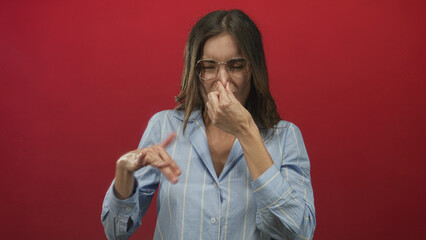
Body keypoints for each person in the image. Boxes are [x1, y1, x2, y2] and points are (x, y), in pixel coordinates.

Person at [101, 9, 316, 240]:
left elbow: (299, 233)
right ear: (196, 71)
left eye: (235, 66)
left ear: (252, 69)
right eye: (209, 66)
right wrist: (123, 173)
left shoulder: (286, 137)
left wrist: (246, 132)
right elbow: (115, 232)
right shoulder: (164, 126)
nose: (222, 80)